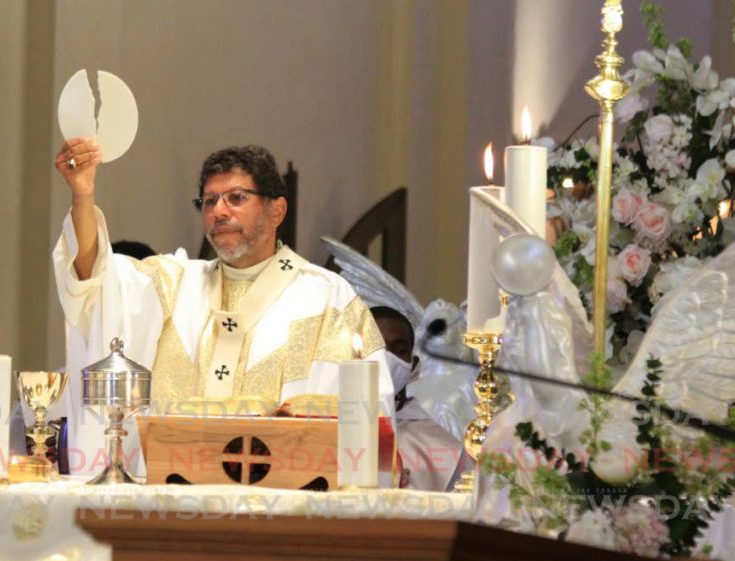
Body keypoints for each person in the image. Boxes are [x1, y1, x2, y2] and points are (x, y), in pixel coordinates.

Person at [52, 140, 393, 476]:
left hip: (281, 507)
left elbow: (365, 418)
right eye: (209, 201)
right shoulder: (176, 285)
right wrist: (83, 195)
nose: (219, 211)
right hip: (174, 500)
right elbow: (94, 279)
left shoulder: (326, 298)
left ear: (277, 210)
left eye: (236, 198)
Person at [371, 305, 469, 492]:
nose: (386, 359)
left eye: (399, 349)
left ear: (412, 364)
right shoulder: (325, 428)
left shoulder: (442, 448)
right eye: (376, 347)